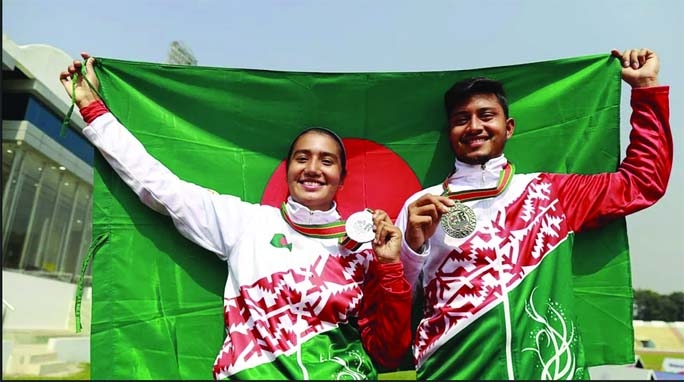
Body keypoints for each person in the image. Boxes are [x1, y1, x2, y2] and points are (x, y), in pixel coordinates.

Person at [60, 54, 412, 380]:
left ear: (342, 177)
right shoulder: (246, 224)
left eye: (326, 160)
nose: (313, 169)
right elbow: (161, 187)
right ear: (287, 169)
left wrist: (390, 268)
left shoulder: (365, 250)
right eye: (302, 158)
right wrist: (94, 112)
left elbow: (388, 352)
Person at [395, 48, 672, 380]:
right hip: (453, 372)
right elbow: (394, 305)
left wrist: (645, 89)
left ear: (508, 127)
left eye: (486, 115)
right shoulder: (422, 207)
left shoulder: (550, 194)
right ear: (450, 131)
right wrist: (411, 248)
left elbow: (641, 182)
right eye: (460, 119)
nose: (474, 126)